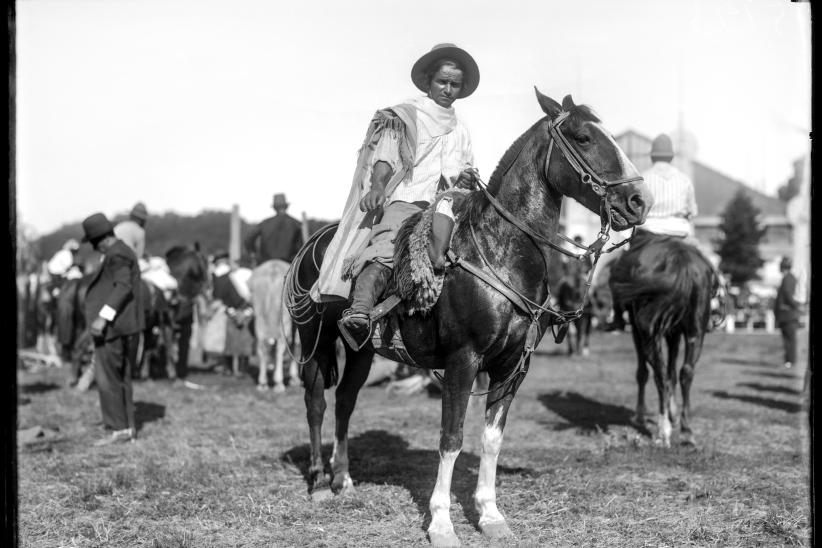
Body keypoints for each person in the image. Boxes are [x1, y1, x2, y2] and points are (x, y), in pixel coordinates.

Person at [312, 43, 481, 346]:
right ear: (429, 80)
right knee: (387, 248)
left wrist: (467, 177)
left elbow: (464, 172)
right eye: (442, 81)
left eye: (455, 84)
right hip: (409, 199)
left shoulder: (461, 130)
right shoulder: (406, 115)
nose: (448, 88)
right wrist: (378, 186)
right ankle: (360, 310)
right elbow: (386, 156)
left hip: (448, 206)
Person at [81, 212, 144, 446]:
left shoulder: (116, 254)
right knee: (122, 376)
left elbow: (123, 287)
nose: (96, 248)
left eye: (94, 243)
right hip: (125, 325)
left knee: (108, 377)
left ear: (99, 240)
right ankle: (127, 427)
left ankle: (118, 429)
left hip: (114, 327)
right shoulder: (123, 251)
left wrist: (103, 318)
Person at [210, 251, 255, 376]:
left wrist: (238, 312)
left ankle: (234, 369)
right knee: (236, 342)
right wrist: (243, 312)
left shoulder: (226, 276)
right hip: (240, 311)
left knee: (239, 342)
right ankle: (236, 368)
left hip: (237, 311)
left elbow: (219, 297)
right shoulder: (245, 275)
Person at [243, 193, 304, 265]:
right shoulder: (297, 224)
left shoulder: (265, 223)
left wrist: (253, 253)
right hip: (289, 263)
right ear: (286, 207)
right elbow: (301, 247)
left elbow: (249, 238)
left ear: (275, 208)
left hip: (265, 262)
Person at [774, 256, 802, 368]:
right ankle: (788, 360)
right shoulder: (787, 278)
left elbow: (788, 295)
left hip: (788, 315)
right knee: (787, 339)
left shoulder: (788, 278)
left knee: (790, 340)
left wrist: (796, 306)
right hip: (785, 315)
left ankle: (791, 361)